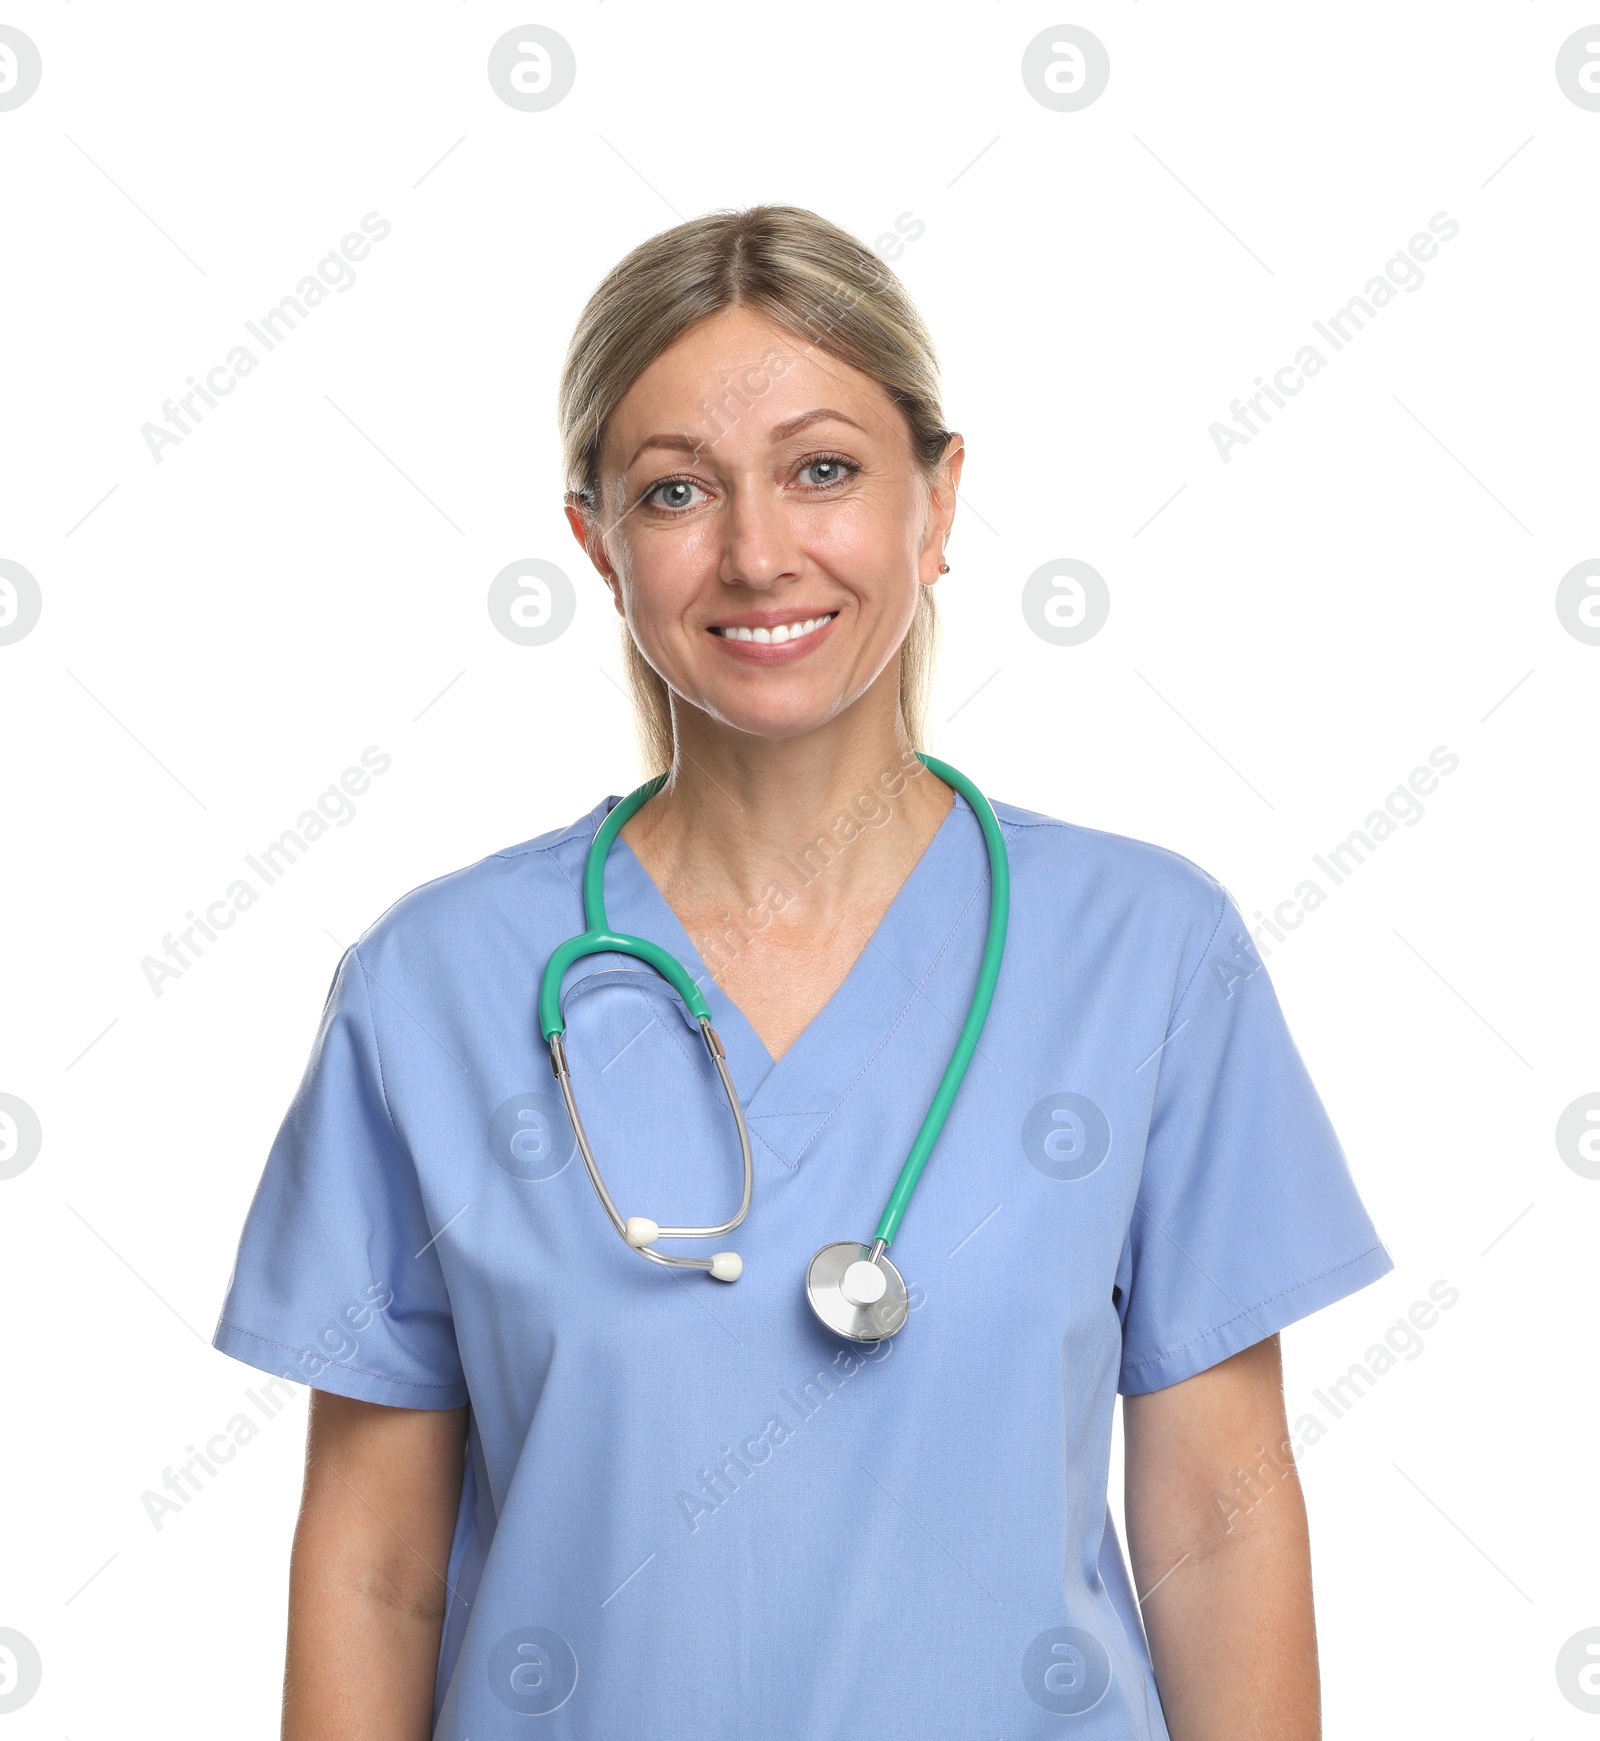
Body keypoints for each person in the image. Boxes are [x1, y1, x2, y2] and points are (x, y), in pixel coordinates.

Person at [213, 204, 1394, 1740]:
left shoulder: (1150, 954)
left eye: (823, 469)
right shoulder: (431, 987)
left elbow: (1218, 1531)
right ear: (596, 541)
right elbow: (375, 1571)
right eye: (677, 491)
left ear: (939, 496)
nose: (757, 550)